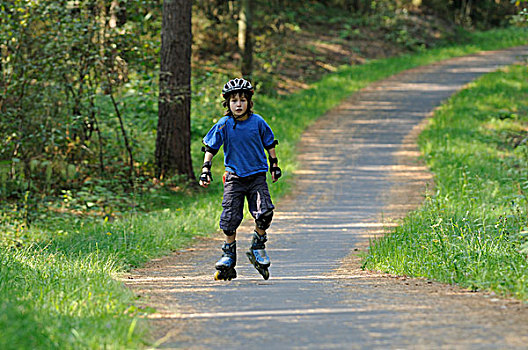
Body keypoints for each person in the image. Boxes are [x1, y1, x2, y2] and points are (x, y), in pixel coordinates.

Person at [199, 78, 281, 281]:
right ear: (227, 103)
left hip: (257, 175)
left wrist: (275, 165)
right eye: (234, 100)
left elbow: (269, 143)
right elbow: (211, 147)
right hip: (234, 177)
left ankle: (258, 245)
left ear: (249, 102)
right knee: (229, 216)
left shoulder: (258, 122)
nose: (238, 104)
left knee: (265, 212)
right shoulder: (224, 124)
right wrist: (205, 169)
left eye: (242, 100)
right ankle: (228, 255)